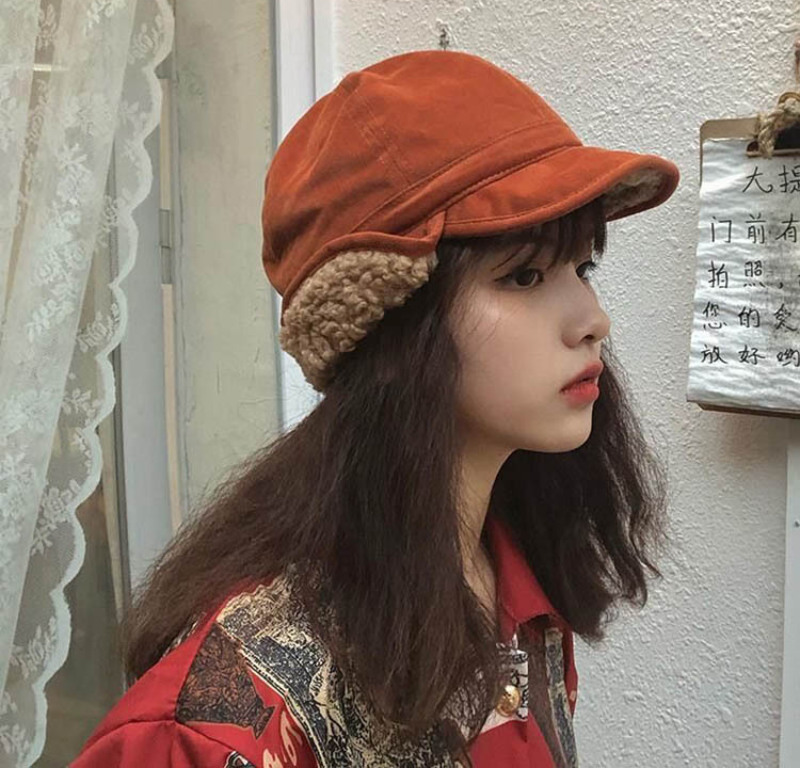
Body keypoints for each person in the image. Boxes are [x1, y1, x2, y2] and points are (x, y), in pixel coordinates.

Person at [71, 49, 680, 767]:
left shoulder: (517, 581)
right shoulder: (224, 725)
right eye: (523, 275)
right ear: (392, 323)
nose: (593, 319)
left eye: (582, 266)